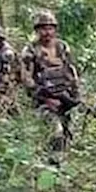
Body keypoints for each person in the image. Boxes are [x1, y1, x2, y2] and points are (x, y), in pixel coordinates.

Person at [21, 9, 81, 160]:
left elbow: (71, 71)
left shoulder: (62, 47)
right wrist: (44, 97)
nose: (47, 32)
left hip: (64, 97)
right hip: (44, 100)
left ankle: (62, 164)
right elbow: (26, 78)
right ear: (37, 30)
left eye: (50, 28)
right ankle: (54, 166)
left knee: (67, 133)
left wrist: (75, 95)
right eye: (43, 28)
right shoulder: (30, 50)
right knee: (56, 131)